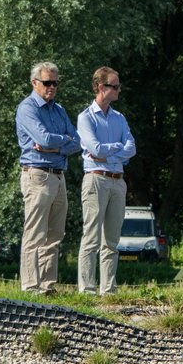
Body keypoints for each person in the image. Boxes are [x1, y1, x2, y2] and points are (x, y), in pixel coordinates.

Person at [15, 61, 81, 294]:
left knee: (54, 234)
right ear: (34, 83)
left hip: (58, 175)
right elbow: (43, 139)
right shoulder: (27, 108)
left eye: (55, 83)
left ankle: (47, 284)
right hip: (37, 174)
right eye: (47, 83)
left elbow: (78, 142)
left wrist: (57, 147)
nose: (52, 87)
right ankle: (31, 286)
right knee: (35, 233)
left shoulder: (59, 110)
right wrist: (63, 141)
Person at [76, 67, 135, 295]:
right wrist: (116, 149)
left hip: (117, 181)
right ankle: (87, 290)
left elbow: (131, 147)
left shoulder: (119, 118)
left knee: (111, 239)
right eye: (115, 86)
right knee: (91, 236)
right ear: (101, 87)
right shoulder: (85, 118)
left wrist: (108, 152)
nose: (119, 90)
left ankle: (108, 289)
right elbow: (94, 148)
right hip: (96, 179)